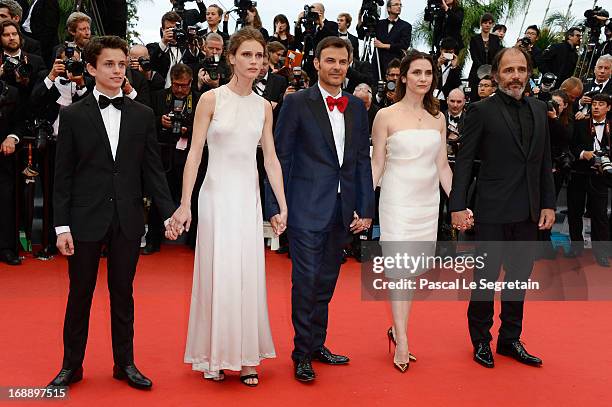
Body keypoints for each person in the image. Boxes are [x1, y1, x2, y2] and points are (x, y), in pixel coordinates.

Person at [48, 35, 176, 390]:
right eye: (109, 64)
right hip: (85, 218)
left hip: (128, 219)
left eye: (122, 64)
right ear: (90, 68)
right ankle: (71, 366)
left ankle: (125, 364)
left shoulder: (143, 114)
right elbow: (63, 176)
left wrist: (168, 214)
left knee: (124, 294)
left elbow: (152, 170)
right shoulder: (73, 115)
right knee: (80, 295)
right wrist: (61, 227)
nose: (117, 70)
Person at [168, 27, 287, 387]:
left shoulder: (264, 106)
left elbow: (271, 160)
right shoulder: (210, 100)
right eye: (247, 55)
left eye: (259, 56)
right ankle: (214, 355)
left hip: (247, 197)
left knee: (248, 275)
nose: (254, 61)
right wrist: (185, 203)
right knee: (216, 273)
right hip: (216, 195)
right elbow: (193, 155)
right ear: (231, 57)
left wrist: (281, 205)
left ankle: (248, 358)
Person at [265, 36, 374, 382]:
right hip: (304, 209)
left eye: (342, 62)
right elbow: (279, 158)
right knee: (306, 281)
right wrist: (276, 207)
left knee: (326, 281)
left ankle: (316, 345)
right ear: (316, 63)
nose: (337, 68)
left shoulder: (356, 107)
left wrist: (366, 208)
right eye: (330, 61)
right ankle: (301, 354)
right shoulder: (297, 103)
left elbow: (360, 160)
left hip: (342, 210)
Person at [449, 47, 555, 369]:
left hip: (528, 211)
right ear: (495, 75)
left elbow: (543, 162)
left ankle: (510, 339)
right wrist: (457, 205)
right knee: (485, 277)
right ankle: (481, 339)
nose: (516, 76)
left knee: (518, 278)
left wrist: (548, 204)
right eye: (509, 70)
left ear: (528, 72)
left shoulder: (539, 109)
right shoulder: (480, 110)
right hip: (492, 210)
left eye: (521, 69)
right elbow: (465, 162)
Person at [371, 51, 454, 373]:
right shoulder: (385, 115)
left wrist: (458, 202)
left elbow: (443, 165)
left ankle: (397, 329)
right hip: (396, 200)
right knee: (398, 270)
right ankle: (402, 340)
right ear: (402, 76)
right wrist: (363, 203)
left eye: (428, 73)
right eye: (417, 72)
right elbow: (377, 163)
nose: (423, 78)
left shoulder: (438, 118)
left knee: (412, 272)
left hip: (426, 203)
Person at [566, 93, 612, 266]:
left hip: (601, 176)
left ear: (608, 107)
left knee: (600, 214)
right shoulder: (579, 123)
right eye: (594, 104)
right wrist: (582, 153)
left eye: (601, 104)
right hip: (579, 173)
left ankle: (601, 252)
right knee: (574, 211)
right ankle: (576, 247)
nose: (596, 107)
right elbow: (571, 145)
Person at [357, 0, 411, 83]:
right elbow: (361, 35)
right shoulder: (379, 23)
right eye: (396, 4)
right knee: (375, 87)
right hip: (377, 63)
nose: (399, 7)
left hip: (394, 65)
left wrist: (384, 45)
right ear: (388, 8)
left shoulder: (406, 26)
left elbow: (404, 45)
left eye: (400, 5)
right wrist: (359, 19)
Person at [468, 13, 502, 101]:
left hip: (492, 72)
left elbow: (497, 55)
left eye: (490, 23)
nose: (487, 25)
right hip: (476, 72)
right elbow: (474, 56)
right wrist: (483, 69)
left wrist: (491, 69)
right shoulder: (474, 39)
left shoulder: (495, 39)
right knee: (474, 98)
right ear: (481, 24)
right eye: (485, 23)